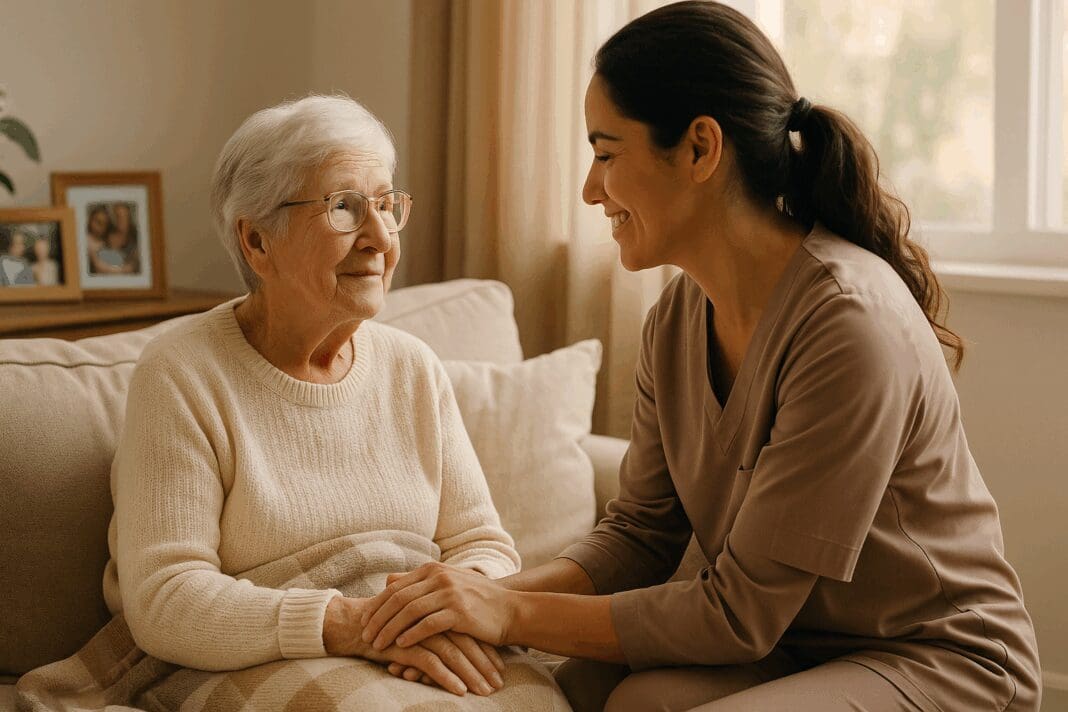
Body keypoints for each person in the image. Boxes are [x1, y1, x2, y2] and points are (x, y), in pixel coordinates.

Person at [357, 3, 1042, 711]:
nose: (591, 189)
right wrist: (470, 599)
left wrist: (507, 615)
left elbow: (740, 614)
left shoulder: (848, 326)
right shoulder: (676, 321)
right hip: (794, 643)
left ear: (699, 149)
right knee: (595, 691)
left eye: (606, 152)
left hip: (936, 657)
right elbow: (640, 537)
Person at [84, 95, 567, 708]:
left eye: (388, 205)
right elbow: (167, 598)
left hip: (417, 637)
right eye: (343, 207)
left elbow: (483, 544)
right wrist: (353, 626)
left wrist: (445, 612)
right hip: (252, 650)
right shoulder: (182, 375)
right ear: (257, 242)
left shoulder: (412, 367)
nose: (379, 237)